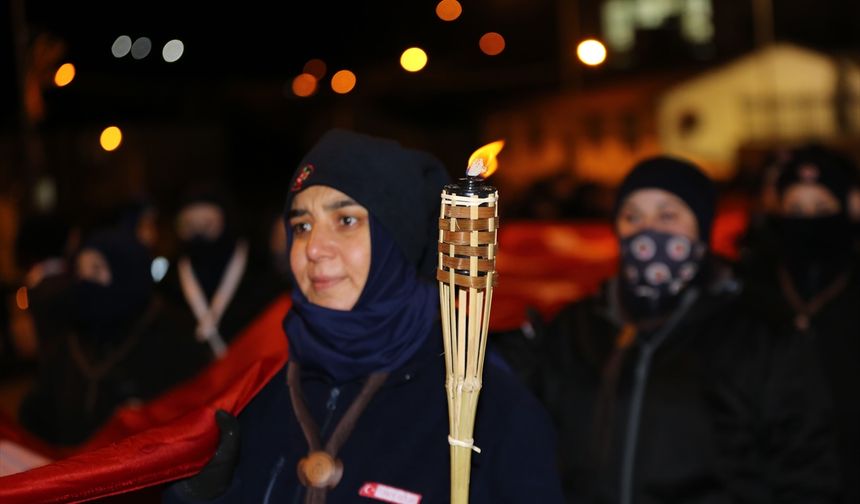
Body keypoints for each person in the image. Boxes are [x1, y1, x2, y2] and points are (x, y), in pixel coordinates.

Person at [165, 129, 565, 503]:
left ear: (400, 235)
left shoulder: (485, 407)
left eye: (346, 220)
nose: (314, 248)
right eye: (301, 225)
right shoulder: (258, 392)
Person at [498, 156, 841, 503]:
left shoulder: (759, 333)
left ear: (702, 228)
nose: (647, 231)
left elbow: (806, 471)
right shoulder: (577, 328)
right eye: (632, 216)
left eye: (667, 215)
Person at [739, 145, 859, 503]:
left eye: (821, 208)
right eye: (795, 208)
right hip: (776, 472)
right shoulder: (755, 285)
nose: (808, 219)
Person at [18, 228, 202, 445]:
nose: (86, 279)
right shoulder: (70, 338)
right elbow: (39, 416)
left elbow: (189, 414)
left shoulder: (171, 333)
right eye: (80, 270)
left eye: (97, 268)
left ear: (125, 269)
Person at [159, 183, 283, 360]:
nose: (198, 232)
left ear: (225, 221)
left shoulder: (257, 268)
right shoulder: (171, 279)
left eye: (206, 224)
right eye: (190, 226)